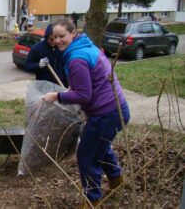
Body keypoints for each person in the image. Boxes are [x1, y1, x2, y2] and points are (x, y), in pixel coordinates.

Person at [43, 18, 130, 208]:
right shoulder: (85, 46)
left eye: (62, 36)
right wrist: (70, 90)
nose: (58, 40)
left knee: (87, 155)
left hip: (106, 114)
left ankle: (92, 200)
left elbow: (84, 96)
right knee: (100, 146)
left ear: (73, 33)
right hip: (116, 109)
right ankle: (116, 180)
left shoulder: (76, 59)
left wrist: (57, 96)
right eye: (54, 37)